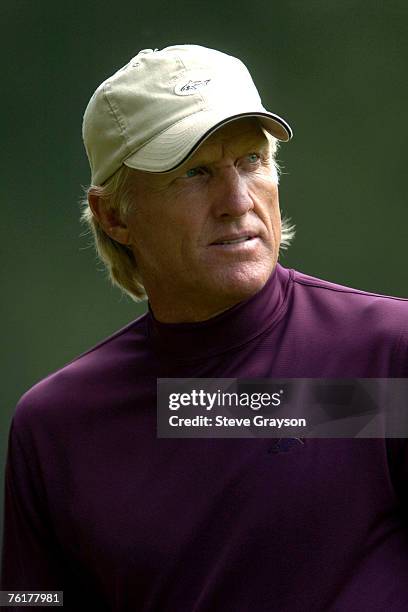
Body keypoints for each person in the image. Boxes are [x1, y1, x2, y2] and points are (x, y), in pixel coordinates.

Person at [2, 44, 408, 611]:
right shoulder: (58, 426)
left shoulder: (387, 354)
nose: (237, 200)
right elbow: (31, 600)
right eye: (195, 173)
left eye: (251, 161)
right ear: (114, 214)